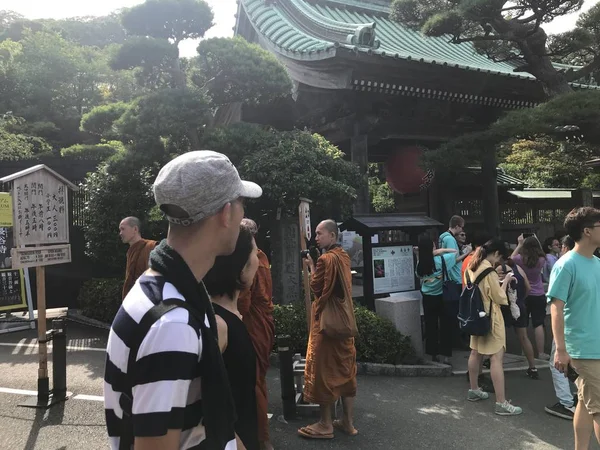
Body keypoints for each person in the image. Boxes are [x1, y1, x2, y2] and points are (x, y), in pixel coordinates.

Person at [104, 150, 262, 450]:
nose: (243, 213)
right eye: (241, 203)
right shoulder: (171, 323)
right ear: (226, 214)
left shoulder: (165, 289)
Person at [298, 219, 357, 440]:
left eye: (320, 233)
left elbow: (316, 287)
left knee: (324, 372)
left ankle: (325, 424)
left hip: (327, 324)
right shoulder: (343, 256)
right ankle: (347, 422)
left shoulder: (325, 259)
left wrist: (311, 266)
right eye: (315, 233)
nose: (316, 237)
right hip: (344, 322)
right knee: (346, 371)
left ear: (332, 236)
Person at [205, 224, 262, 450]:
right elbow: (205, 404)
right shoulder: (218, 325)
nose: (259, 259)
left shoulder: (232, 317)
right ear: (241, 268)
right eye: (255, 253)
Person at [548, 207, 600, 448]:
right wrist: (560, 350)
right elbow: (556, 308)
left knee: (585, 402)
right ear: (587, 231)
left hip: (596, 344)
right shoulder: (566, 264)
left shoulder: (597, 263)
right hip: (582, 348)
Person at [466, 239, 523, 416]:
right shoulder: (489, 271)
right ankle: (501, 402)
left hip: (476, 316)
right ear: (497, 253)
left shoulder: (472, 266)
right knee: (496, 358)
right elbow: (499, 297)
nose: (499, 263)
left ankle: (474, 389)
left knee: (475, 352)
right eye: (500, 258)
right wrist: (505, 281)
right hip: (491, 318)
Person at [237, 218, 275, 450]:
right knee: (257, 378)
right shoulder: (262, 256)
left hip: (254, 324)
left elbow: (244, 300)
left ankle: (262, 438)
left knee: (255, 380)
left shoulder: (251, 260)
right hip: (263, 322)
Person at [545, 234, 578, 420]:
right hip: (584, 325)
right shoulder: (592, 262)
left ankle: (566, 403)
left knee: (557, 362)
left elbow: (557, 305)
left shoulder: (563, 265)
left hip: (567, 323)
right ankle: (581, 396)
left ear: (565, 246)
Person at [416, 237, 458, 365]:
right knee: (445, 326)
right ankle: (446, 356)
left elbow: (419, 276)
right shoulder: (442, 259)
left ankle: (433, 354)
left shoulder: (420, 263)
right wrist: (441, 250)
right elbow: (455, 252)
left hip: (428, 297)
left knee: (431, 325)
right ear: (433, 248)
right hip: (442, 296)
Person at [495, 259, 537, 379]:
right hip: (519, 306)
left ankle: (497, 367)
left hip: (503, 308)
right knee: (524, 337)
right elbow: (528, 287)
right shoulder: (518, 269)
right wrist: (521, 299)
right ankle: (533, 367)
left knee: (500, 339)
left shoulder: (498, 270)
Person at [511, 235, 550, 360]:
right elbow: (540, 249)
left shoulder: (519, 259)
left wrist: (519, 244)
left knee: (523, 324)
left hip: (524, 293)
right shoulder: (542, 259)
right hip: (538, 293)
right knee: (538, 323)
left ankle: (525, 350)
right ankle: (541, 352)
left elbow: (510, 258)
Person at [119, 216, 158, 299]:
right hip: (133, 299)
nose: (120, 233)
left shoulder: (151, 247)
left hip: (149, 299)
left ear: (135, 229)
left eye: (123, 229)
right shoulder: (130, 252)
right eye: (120, 230)